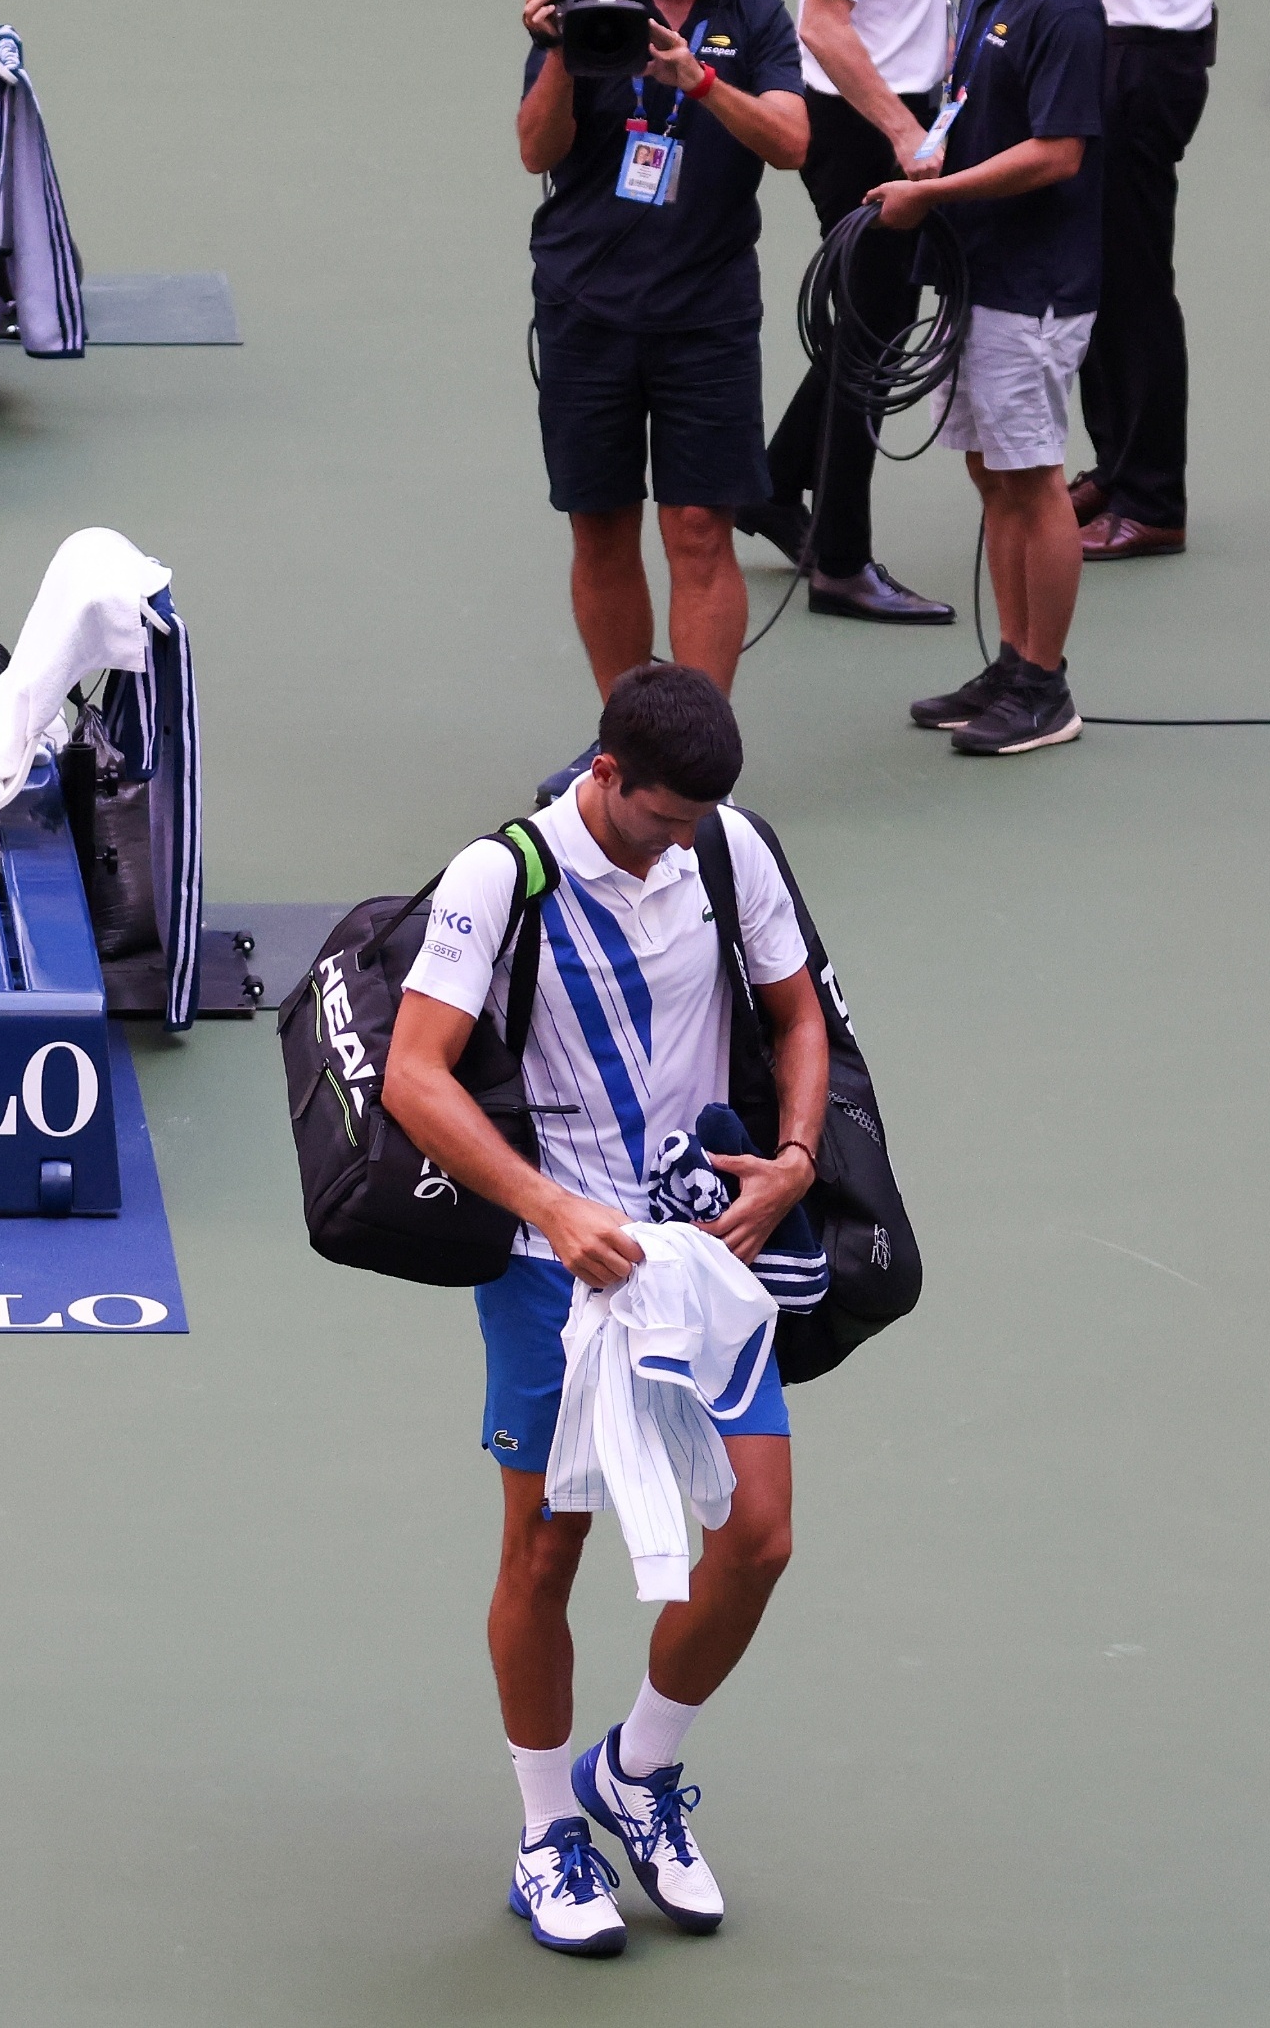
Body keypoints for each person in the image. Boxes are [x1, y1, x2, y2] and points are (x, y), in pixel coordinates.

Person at [381, 663, 830, 1956]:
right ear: (606, 772)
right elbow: (416, 1075)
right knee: (546, 1549)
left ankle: (634, 1769)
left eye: (695, 819)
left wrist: (795, 1153)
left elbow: (796, 1013)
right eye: (660, 814)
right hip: (549, 1261)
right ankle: (543, 1830)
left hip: (695, 1259)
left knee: (757, 1537)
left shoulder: (729, 847)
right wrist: (551, 1206)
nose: (679, 837)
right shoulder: (499, 877)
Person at [517, 0, 809, 780]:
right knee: (600, 522)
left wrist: (697, 77)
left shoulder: (755, 17)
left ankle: (694, 755)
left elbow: (790, 141)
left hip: (706, 313)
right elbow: (537, 150)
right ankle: (624, 743)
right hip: (585, 306)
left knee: (697, 528)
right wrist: (564, 48)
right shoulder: (587, 1)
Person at [869, 0, 1103, 756]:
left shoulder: (1061, 3)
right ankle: (1012, 661)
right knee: (991, 472)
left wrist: (938, 191)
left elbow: (1057, 154)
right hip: (980, 273)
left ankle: (1045, 686)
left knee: (1032, 477)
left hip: (1033, 284)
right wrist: (931, 158)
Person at [737, 0, 965, 626]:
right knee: (871, 341)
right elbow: (823, 25)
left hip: (900, 108)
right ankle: (839, 561)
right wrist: (903, 138)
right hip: (861, 127)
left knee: (866, 324)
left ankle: (769, 485)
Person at [1049, 0, 1250, 562]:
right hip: (1120, 57)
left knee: (1131, 288)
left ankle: (1153, 500)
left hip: (1140, 71)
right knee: (1095, 278)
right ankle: (1115, 465)